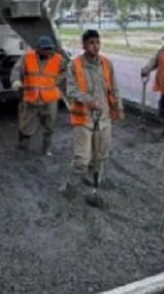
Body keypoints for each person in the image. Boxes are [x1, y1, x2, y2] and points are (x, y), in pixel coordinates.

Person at [63, 29, 123, 201]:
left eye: (97, 42)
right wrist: (88, 100)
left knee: (100, 157)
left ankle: (94, 189)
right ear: (84, 45)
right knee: (82, 159)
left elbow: (114, 87)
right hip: (83, 118)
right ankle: (70, 186)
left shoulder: (106, 64)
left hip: (104, 118)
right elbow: (71, 90)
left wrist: (118, 108)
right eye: (91, 43)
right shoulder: (74, 65)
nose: (95, 46)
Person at [10, 35, 66, 155]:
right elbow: (16, 69)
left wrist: (59, 79)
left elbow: (68, 70)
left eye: (50, 49)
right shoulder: (27, 58)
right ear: (38, 49)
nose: (47, 52)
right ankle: (23, 147)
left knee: (49, 126)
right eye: (45, 49)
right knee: (26, 125)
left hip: (50, 100)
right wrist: (15, 80)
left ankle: (46, 149)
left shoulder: (58, 59)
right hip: (31, 99)